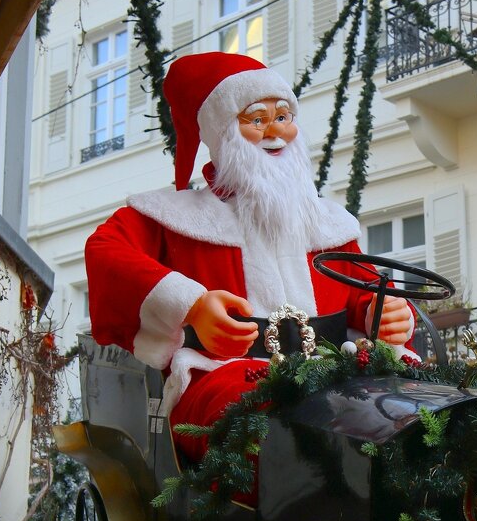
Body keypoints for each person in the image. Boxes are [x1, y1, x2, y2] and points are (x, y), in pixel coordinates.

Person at [85, 52, 414, 459]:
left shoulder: (326, 220)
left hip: (337, 368)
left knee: (422, 402)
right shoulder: (172, 216)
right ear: (223, 132)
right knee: (276, 423)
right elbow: (106, 252)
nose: (275, 131)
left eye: (284, 116)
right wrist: (192, 306)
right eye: (256, 120)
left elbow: (360, 289)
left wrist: (379, 311)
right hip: (223, 373)